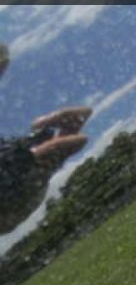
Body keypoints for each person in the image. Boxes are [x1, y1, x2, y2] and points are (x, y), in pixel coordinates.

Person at [0, 43, 92, 234]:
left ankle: (44, 130)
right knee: (71, 137)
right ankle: (43, 130)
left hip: (14, 180)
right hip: (12, 181)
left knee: (74, 126)